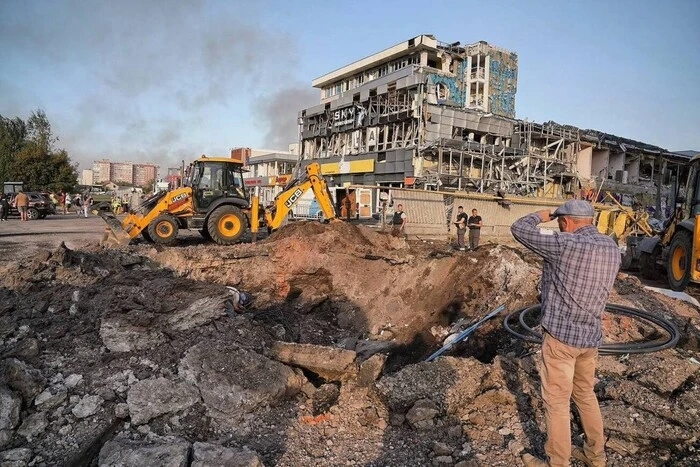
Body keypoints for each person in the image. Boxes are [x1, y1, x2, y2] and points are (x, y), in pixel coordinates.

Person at [511, 200, 620, 467]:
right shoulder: (611, 247)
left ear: (566, 222)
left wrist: (542, 214)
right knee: (584, 394)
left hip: (561, 337)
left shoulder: (564, 244)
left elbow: (519, 228)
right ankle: (596, 457)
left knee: (557, 402)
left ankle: (557, 463)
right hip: (589, 337)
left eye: (561, 222)